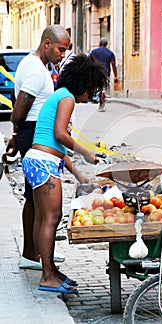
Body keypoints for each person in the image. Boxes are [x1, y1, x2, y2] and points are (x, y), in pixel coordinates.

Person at [21, 54, 108, 294]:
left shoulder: (59, 96)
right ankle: (47, 276)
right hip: (43, 164)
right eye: (92, 90)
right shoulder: (67, 98)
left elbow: (55, 145)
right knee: (52, 217)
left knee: (42, 218)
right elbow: (61, 135)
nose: (89, 96)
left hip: (38, 160)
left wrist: (80, 176)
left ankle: (49, 271)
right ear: (84, 85)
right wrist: (87, 152)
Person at [2, 25, 71, 271]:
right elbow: (20, 106)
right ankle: (33, 254)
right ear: (47, 44)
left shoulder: (36, 66)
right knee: (37, 198)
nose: (62, 55)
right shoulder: (36, 71)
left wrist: (15, 136)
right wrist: (18, 132)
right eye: (61, 49)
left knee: (36, 197)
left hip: (29, 131)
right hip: (32, 132)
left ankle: (39, 251)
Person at [89, 37, 118, 112]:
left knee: (98, 87)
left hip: (96, 72)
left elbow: (89, 62)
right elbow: (113, 64)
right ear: (106, 44)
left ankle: (98, 100)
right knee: (103, 89)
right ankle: (102, 104)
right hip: (105, 73)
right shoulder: (110, 53)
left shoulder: (94, 52)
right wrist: (115, 76)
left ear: (99, 43)